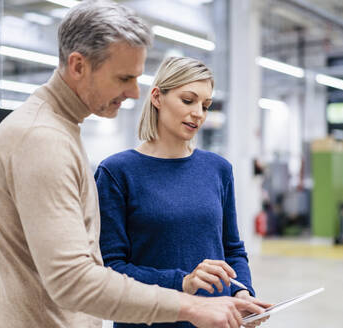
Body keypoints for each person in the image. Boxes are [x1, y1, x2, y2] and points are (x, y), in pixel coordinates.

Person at [0, 2, 263, 328]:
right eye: (124, 78)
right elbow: (75, 279)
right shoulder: (42, 140)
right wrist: (189, 303)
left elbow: (232, 246)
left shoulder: (60, 131)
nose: (133, 92)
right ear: (78, 65)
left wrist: (237, 293)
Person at [95, 56, 271, 328]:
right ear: (157, 97)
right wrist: (183, 282)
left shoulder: (218, 169)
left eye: (206, 105)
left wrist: (242, 293)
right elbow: (111, 270)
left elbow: (232, 249)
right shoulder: (117, 172)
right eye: (188, 101)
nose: (199, 113)